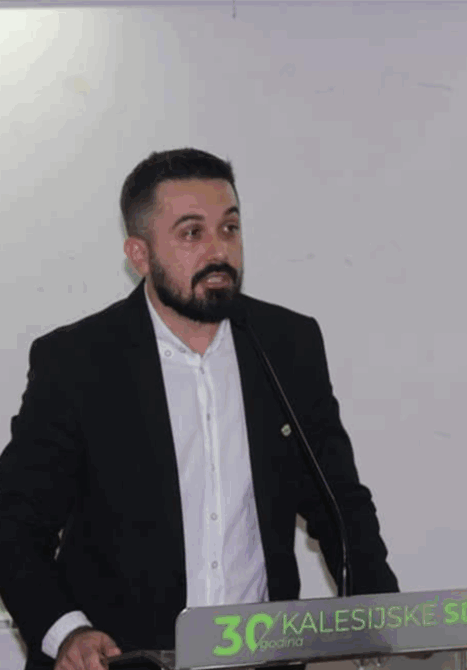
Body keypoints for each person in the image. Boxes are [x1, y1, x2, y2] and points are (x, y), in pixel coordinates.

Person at [0, 148, 400, 670]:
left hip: (263, 660)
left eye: (229, 228)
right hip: (122, 660)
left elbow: (339, 503)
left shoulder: (288, 345)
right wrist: (67, 632)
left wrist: (387, 620)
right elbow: (14, 522)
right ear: (139, 255)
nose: (219, 251)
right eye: (192, 233)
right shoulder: (78, 362)